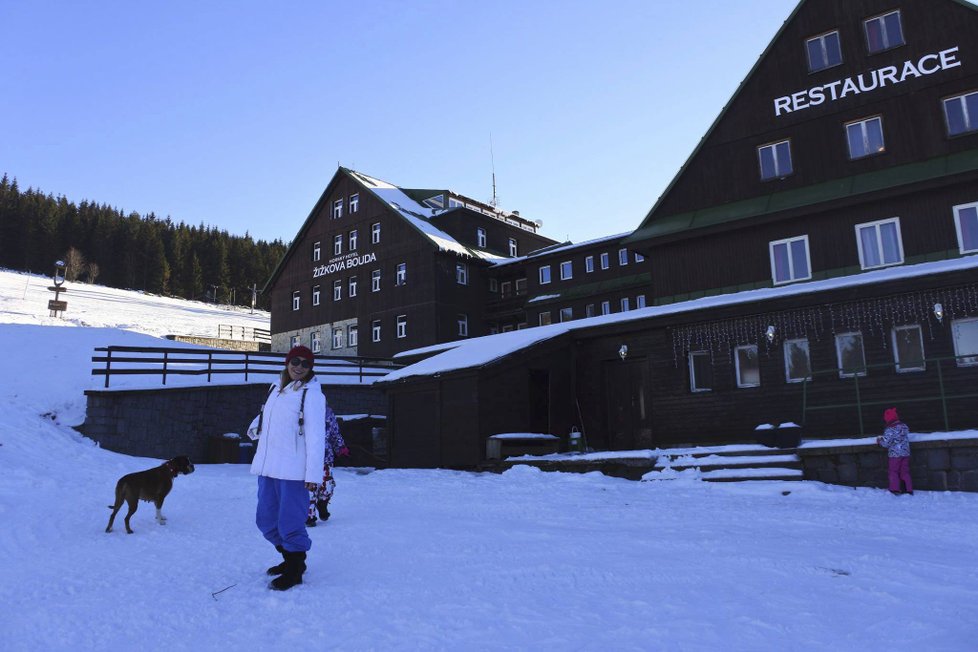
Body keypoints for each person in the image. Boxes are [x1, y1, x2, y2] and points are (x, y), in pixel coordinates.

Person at [246, 345, 326, 590]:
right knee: (266, 521)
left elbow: (315, 437)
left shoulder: (312, 395)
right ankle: (289, 558)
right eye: (295, 361)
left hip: (293, 471)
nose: (299, 367)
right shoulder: (276, 388)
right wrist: (255, 427)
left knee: (290, 524)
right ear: (287, 362)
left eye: (305, 363)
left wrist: (313, 474)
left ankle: (295, 568)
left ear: (310, 368)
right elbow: (268, 417)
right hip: (268, 466)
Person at [306, 404, 349, 527]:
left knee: (327, 485)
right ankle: (309, 515)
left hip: (325, 456)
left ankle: (322, 503)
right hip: (307, 457)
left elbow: (334, 432)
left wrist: (340, 447)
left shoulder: (328, 413)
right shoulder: (301, 411)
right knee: (310, 487)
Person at [877, 407, 913, 495]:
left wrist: (879, 440)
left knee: (893, 471)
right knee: (905, 471)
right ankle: (908, 489)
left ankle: (895, 489)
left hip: (895, 454)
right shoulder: (904, 427)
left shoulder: (890, 429)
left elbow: (886, 443)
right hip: (905, 453)